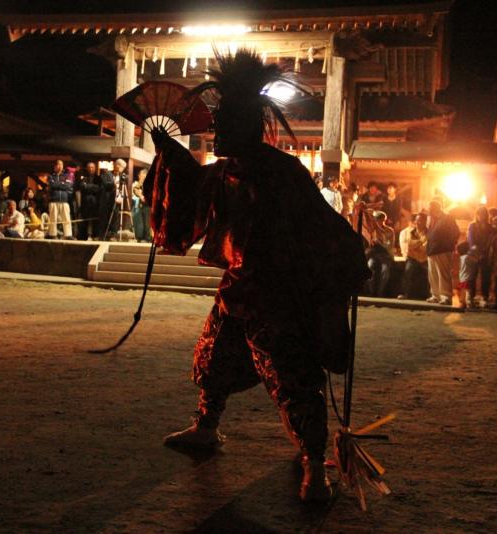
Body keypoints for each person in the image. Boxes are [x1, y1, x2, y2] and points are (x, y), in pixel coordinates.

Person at [149, 50, 370, 502]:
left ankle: (313, 462)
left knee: (292, 379)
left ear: (248, 124)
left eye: (223, 120)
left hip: (278, 298)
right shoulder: (224, 172)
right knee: (212, 361)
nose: (215, 128)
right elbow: (191, 194)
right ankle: (206, 427)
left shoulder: (283, 173)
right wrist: (170, 153)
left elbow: (323, 229)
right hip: (237, 290)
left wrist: (338, 276)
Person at [425, 200, 459, 305]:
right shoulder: (431, 219)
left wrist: (448, 246)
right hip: (432, 250)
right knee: (433, 274)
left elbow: (455, 232)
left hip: (443, 250)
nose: (428, 209)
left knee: (443, 274)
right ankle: (435, 295)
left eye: (430, 207)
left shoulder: (447, 218)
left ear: (436, 208)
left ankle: (446, 296)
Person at [397, 212, 429, 300]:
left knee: (430, 273)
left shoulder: (429, 232)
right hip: (412, 258)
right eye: (417, 220)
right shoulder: (410, 232)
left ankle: (429, 295)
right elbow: (409, 245)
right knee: (408, 271)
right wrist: (421, 241)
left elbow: (425, 248)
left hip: (424, 258)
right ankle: (406, 294)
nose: (419, 222)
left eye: (421, 220)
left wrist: (416, 245)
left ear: (425, 221)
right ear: (415, 221)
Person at [466, 206, 493, 307]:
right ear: (476, 215)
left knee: (486, 277)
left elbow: (491, 240)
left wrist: (485, 252)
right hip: (474, 254)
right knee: (472, 276)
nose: (481, 216)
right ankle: (470, 297)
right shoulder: (472, 226)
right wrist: (476, 251)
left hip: (485, 255)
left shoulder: (490, 227)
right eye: (479, 214)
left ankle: (484, 297)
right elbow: (470, 240)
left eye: (483, 214)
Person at [365, 211, 395, 297]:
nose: (378, 221)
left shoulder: (389, 231)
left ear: (384, 220)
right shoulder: (371, 230)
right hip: (373, 254)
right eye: (376, 219)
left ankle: (380, 292)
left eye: (380, 219)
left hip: (385, 254)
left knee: (385, 270)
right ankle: (372, 292)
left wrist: (380, 242)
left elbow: (389, 245)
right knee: (370, 266)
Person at [99, 159, 130, 240]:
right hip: (107, 200)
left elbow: (122, 186)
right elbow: (105, 184)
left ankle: (113, 235)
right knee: (106, 217)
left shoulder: (121, 176)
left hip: (116, 200)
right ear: (117, 166)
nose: (123, 169)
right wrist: (114, 184)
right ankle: (104, 235)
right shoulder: (107, 174)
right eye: (122, 167)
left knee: (115, 217)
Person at [46, 159, 74, 239]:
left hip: (64, 200)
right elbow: (52, 185)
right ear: (55, 166)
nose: (60, 166)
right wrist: (62, 184)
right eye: (58, 164)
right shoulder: (50, 176)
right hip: (53, 200)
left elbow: (68, 186)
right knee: (53, 218)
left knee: (66, 218)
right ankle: (52, 234)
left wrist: (58, 185)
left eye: (61, 164)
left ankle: (68, 235)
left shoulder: (66, 175)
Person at [75, 162, 101, 240]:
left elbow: (98, 188)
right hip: (85, 203)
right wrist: (91, 187)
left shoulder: (98, 178)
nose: (90, 169)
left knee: (95, 220)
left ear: (95, 168)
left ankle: (95, 236)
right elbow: (82, 187)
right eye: (89, 167)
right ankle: (83, 236)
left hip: (95, 202)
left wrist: (87, 186)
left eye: (92, 167)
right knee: (84, 220)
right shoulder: (84, 178)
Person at [456, 242, 479, 309]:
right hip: (468, 277)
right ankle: (469, 304)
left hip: (462, 277)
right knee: (469, 292)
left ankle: (463, 303)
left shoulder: (461, 257)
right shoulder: (467, 257)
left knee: (463, 291)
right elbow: (475, 262)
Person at [132, 168, 152, 242]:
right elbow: (135, 189)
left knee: (147, 223)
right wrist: (141, 196)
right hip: (142, 205)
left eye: (143, 176)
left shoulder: (152, 182)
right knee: (141, 222)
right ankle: (141, 238)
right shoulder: (142, 182)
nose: (142, 177)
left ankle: (147, 238)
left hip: (149, 205)